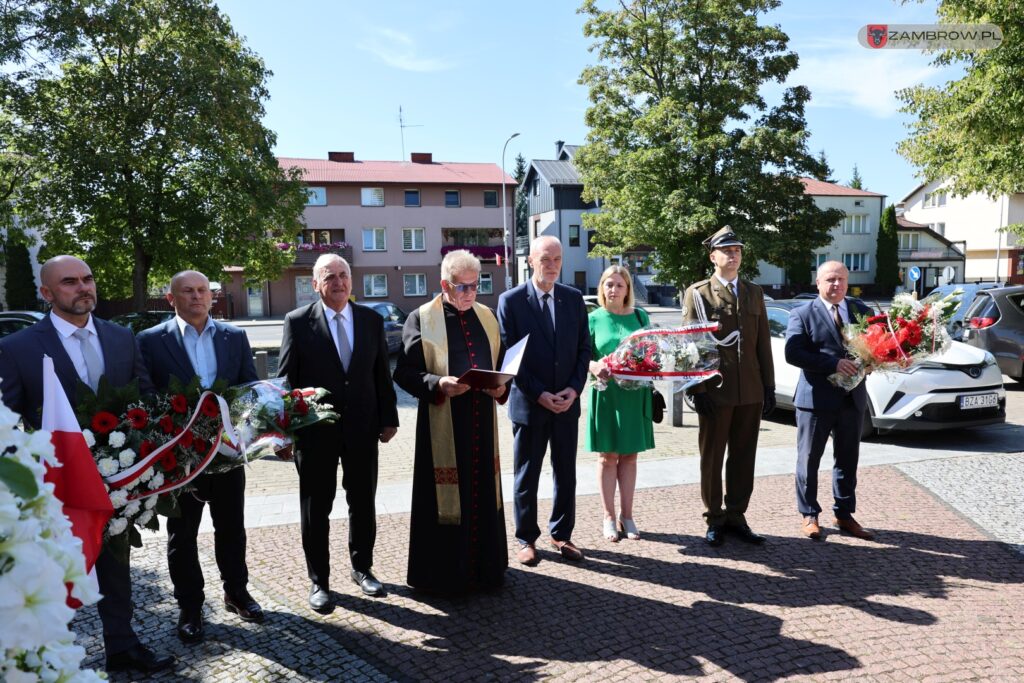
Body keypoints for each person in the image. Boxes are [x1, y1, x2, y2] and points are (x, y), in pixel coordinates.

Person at [0, 255, 174, 674]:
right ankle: (45, 657)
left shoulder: (120, 337)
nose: (84, 288)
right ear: (46, 293)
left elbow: (146, 400)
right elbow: (6, 421)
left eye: (88, 279)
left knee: (116, 568)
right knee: (53, 575)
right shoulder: (17, 348)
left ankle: (123, 646)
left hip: (117, 484)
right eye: (70, 282)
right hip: (57, 488)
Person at [137, 270, 263, 644]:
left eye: (202, 291)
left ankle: (236, 593)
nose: (196, 297)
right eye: (187, 292)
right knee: (182, 534)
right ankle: (190, 607)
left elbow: (249, 389)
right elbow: (146, 394)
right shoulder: (149, 341)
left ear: (212, 296)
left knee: (232, 529)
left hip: (225, 454)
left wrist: (249, 434)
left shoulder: (234, 336)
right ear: (171, 299)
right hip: (179, 459)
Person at [278, 254, 398, 612]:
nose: (339, 282)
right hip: (316, 433)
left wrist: (389, 417)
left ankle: (362, 569)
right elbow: (286, 381)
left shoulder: (370, 320)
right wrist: (283, 432)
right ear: (316, 284)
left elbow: (381, 375)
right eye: (330, 277)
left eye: (344, 275)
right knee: (317, 508)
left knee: (362, 502)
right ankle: (320, 581)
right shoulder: (298, 322)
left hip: (363, 427)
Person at [393, 250, 508, 593]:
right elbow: (404, 372)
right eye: (462, 287)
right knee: (445, 498)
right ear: (444, 284)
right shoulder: (420, 318)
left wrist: (501, 385)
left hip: (482, 422)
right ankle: (444, 576)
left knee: (485, 489)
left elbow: (504, 360)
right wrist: (438, 383)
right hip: (443, 422)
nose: (470, 293)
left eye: (475, 286)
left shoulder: (486, 316)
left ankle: (486, 570)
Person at [497, 235, 591, 565]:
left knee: (566, 473)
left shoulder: (574, 298)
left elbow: (584, 349)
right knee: (527, 475)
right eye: (545, 259)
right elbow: (512, 357)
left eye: (557, 259)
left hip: (566, 404)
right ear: (531, 261)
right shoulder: (511, 301)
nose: (552, 265)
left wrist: (574, 389)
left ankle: (562, 534)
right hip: (530, 405)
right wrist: (540, 394)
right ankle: (526, 538)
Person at [681, 227, 775, 547]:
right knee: (712, 457)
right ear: (713, 257)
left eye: (737, 250)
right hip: (715, 392)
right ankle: (714, 517)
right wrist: (697, 390)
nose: (733, 255)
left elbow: (763, 342)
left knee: (744, 455)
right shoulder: (698, 293)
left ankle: (737, 514)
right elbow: (690, 346)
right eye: (727, 250)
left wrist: (769, 386)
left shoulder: (754, 292)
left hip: (749, 390)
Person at [784, 261, 875, 540]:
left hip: (852, 399)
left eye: (841, 280)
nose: (836, 285)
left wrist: (877, 360)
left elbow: (877, 344)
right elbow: (794, 353)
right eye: (831, 280)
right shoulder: (802, 313)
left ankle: (844, 515)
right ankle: (809, 514)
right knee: (809, 460)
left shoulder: (862, 310)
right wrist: (833, 364)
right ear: (818, 282)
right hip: (816, 401)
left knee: (848, 460)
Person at [586, 265, 654, 542]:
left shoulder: (640, 316)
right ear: (602, 288)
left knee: (630, 455)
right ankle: (608, 517)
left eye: (619, 285)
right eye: (608, 284)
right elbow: (583, 357)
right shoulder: (593, 319)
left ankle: (628, 515)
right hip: (606, 393)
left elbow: (653, 353)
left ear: (628, 289)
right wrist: (594, 366)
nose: (613, 290)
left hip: (635, 394)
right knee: (607, 456)